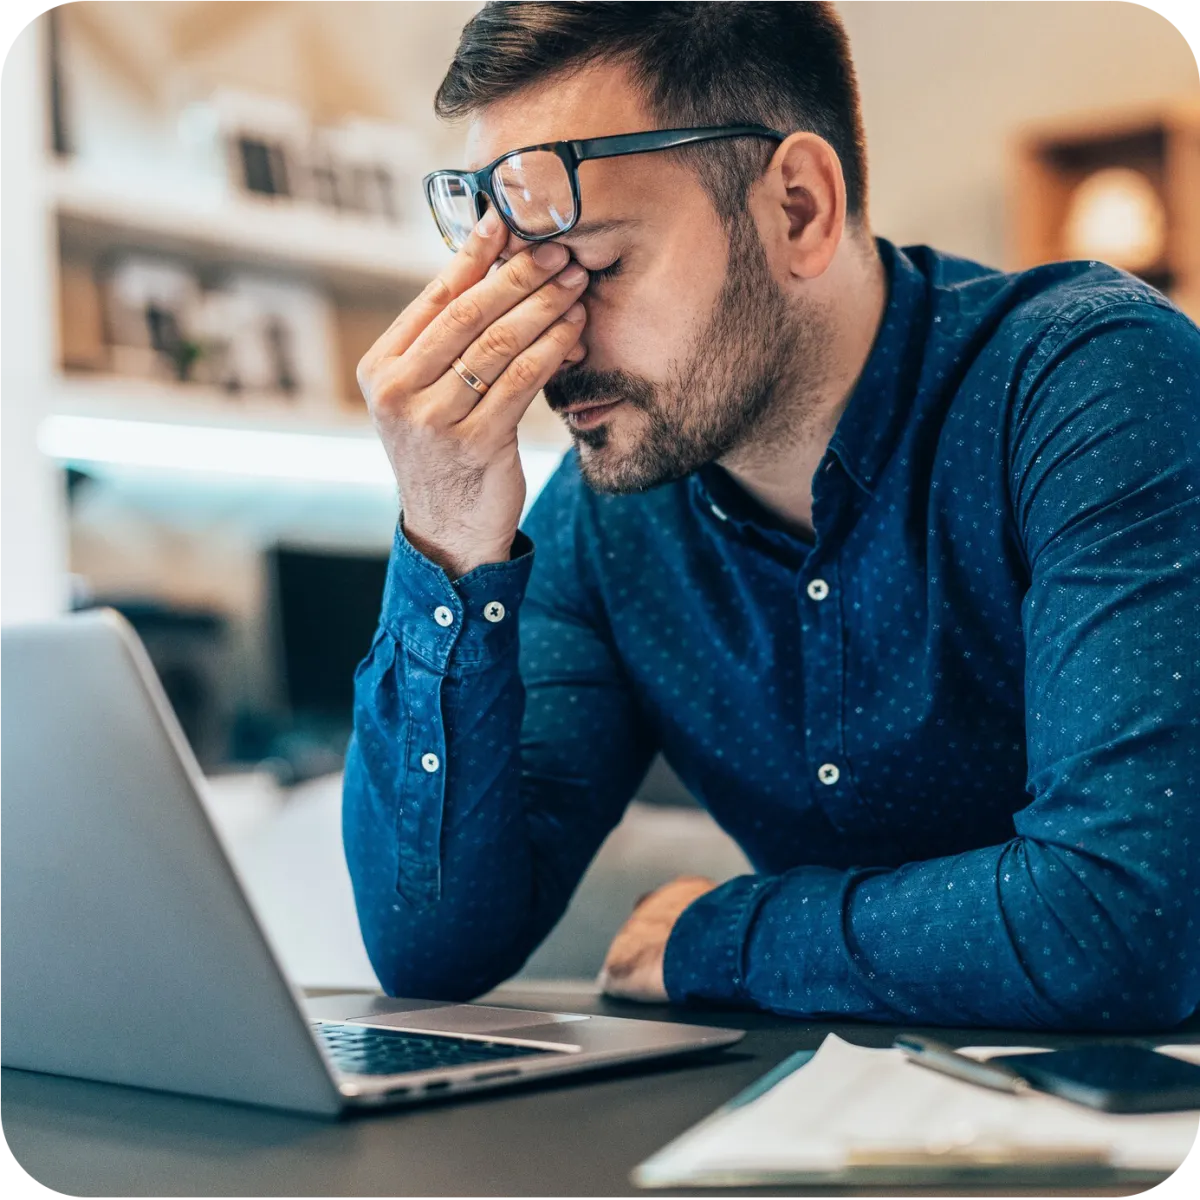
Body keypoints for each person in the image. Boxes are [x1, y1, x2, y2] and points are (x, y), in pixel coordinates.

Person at [344, 0, 1200, 1030]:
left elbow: (1121, 922)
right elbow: (431, 949)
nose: (554, 349)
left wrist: (730, 932)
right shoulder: (612, 518)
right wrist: (445, 534)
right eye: (525, 283)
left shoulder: (1092, 386)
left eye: (601, 268)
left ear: (798, 207)